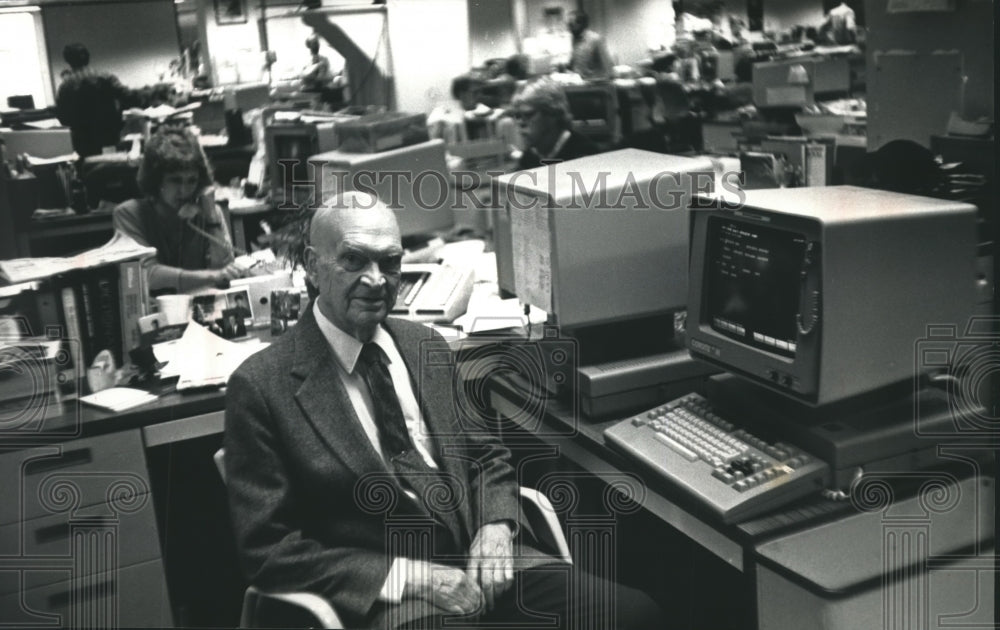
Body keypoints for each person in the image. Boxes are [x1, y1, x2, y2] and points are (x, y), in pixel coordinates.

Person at [223, 191, 665, 629]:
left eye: (390, 263)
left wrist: (496, 526)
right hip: (394, 593)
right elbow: (268, 550)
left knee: (635, 615)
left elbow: (487, 456)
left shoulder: (425, 344)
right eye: (354, 260)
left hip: (485, 562)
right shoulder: (262, 387)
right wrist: (412, 578)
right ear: (313, 265)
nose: (376, 280)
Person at [113, 127, 246, 293]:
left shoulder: (208, 212)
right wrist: (212, 276)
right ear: (157, 180)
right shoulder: (129, 214)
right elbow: (145, 274)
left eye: (192, 181)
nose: (184, 190)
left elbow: (224, 273)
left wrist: (212, 219)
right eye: (175, 181)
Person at [55, 43, 142, 158]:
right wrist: (119, 116)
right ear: (87, 57)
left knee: (89, 166)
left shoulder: (64, 87)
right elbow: (129, 97)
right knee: (110, 163)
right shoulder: (105, 76)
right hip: (109, 134)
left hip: (83, 140)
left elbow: (62, 117)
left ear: (68, 61)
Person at [510, 78, 600, 170]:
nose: (520, 123)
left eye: (528, 115)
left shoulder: (584, 155)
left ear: (553, 113)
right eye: (517, 116)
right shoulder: (529, 156)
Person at [566, 10, 614, 81]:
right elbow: (577, 62)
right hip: (579, 83)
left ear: (581, 24)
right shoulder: (574, 39)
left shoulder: (595, 39)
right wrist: (567, 67)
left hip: (594, 84)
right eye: (568, 25)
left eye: (571, 25)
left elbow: (608, 68)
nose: (569, 29)